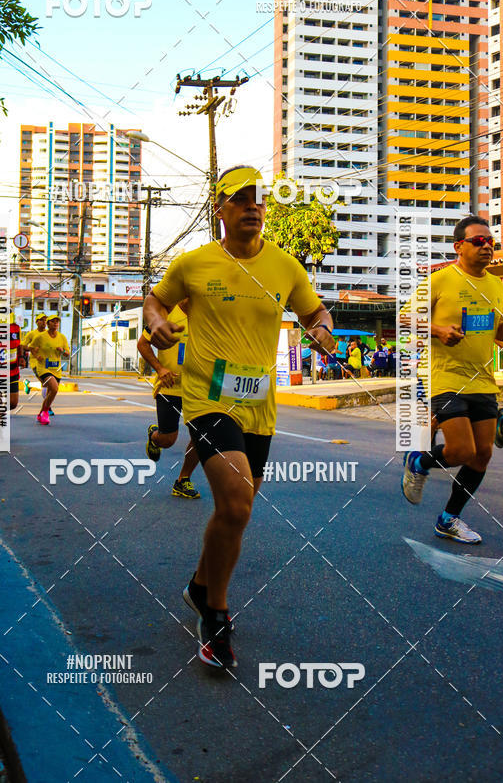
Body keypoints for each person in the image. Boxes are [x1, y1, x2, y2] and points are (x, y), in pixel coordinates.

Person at [143, 165, 334, 669]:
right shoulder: (194, 263)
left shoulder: (286, 266)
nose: (253, 206)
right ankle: (216, 615)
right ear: (220, 211)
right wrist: (158, 322)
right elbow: (154, 302)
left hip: (260, 408)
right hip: (208, 400)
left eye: (259, 199)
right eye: (241, 199)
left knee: (237, 510)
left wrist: (322, 328)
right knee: (236, 504)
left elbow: (316, 312)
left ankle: (199, 587)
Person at [401, 216, 503, 543]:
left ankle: (449, 519)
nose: (487, 246)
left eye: (490, 242)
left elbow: (498, 329)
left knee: (483, 454)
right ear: (459, 246)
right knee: (461, 450)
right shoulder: (439, 281)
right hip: (444, 377)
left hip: (483, 381)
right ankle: (419, 461)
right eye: (478, 241)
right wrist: (438, 330)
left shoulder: (497, 286)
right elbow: (404, 318)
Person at [137, 300, 201, 499]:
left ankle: (183, 480)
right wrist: (160, 368)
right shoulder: (166, 313)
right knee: (168, 440)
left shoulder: (208, 315)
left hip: (198, 388)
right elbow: (142, 343)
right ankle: (155, 436)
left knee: (201, 436)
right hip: (170, 387)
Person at [27, 314, 70, 425]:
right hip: (43, 368)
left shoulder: (62, 337)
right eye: (53, 321)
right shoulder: (41, 336)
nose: (55, 323)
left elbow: (67, 353)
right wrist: (37, 356)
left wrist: (62, 350)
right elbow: (31, 347)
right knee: (54, 388)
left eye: (57, 321)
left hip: (56, 369)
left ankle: (41, 413)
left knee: (51, 392)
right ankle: (45, 412)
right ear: (48, 323)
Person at [21, 312, 48, 400]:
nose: (44, 322)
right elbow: (23, 346)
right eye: (41, 320)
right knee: (45, 382)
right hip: (35, 362)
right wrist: (31, 349)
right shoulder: (31, 334)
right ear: (37, 322)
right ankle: (47, 407)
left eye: (45, 320)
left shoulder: (49, 334)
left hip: (47, 362)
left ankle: (29, 384)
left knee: (47, 383)